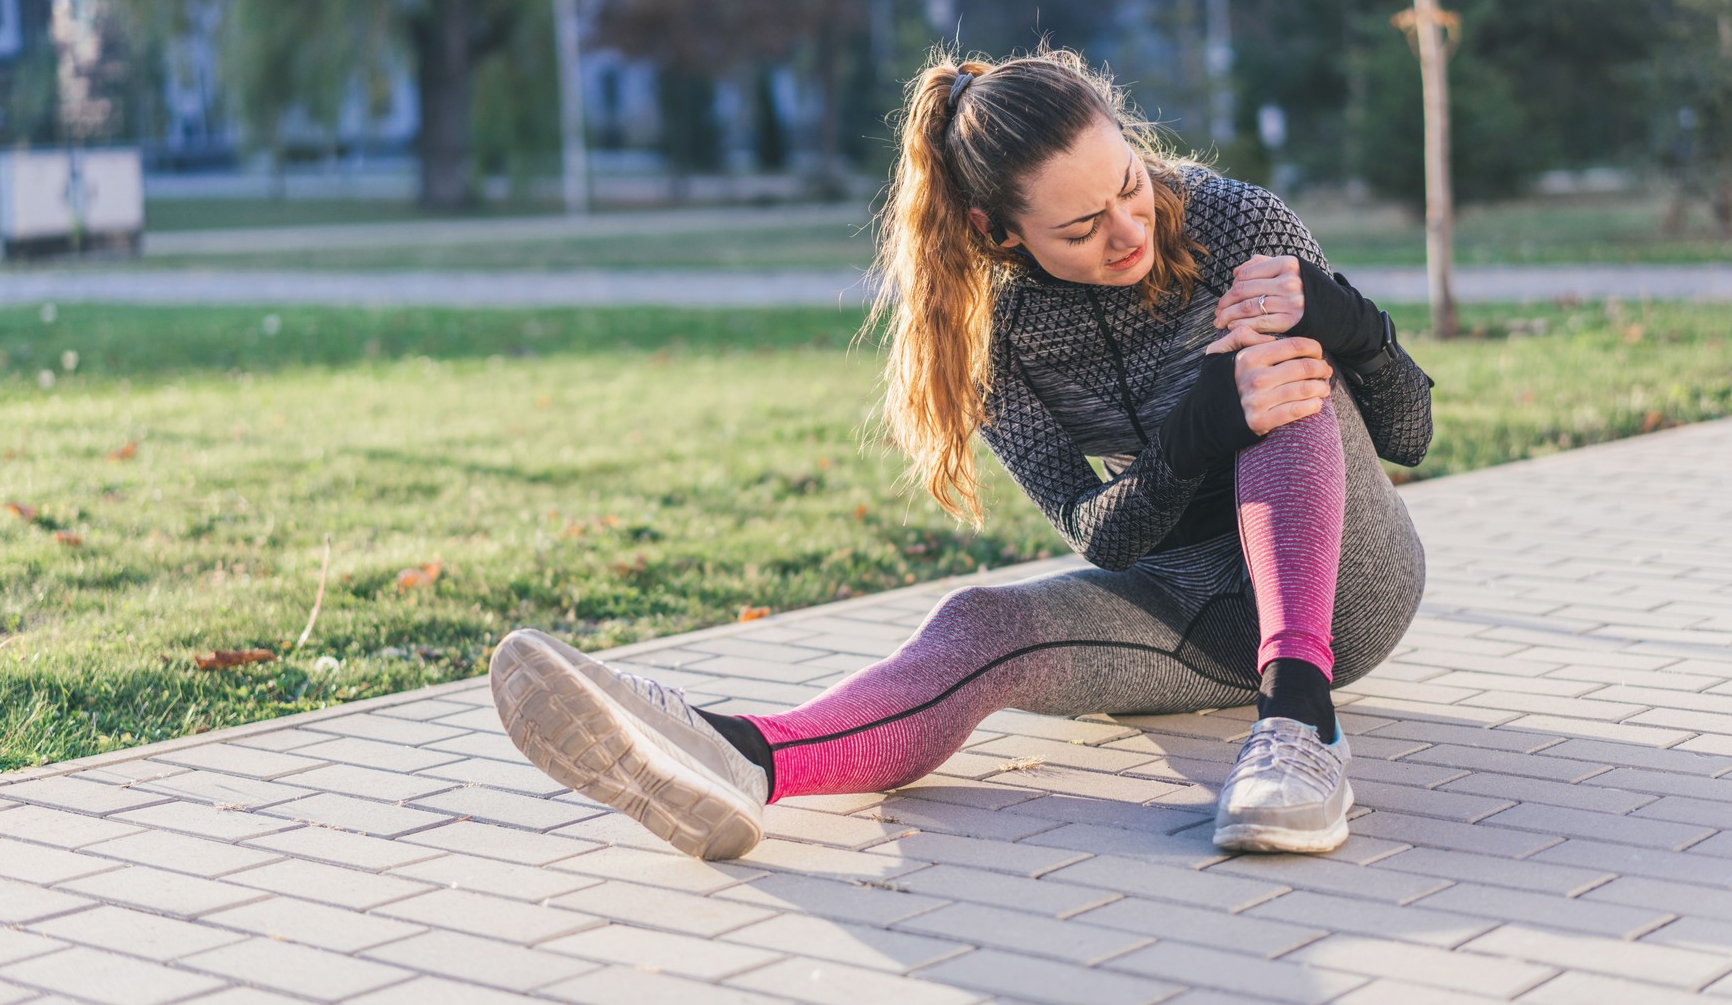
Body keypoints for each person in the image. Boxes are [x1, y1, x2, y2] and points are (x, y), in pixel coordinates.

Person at [489, 48, 1433, 861]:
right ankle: (738, 755)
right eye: (1080, 227)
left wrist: (1352, 323)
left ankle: (1303, 729)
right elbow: (1105, 537)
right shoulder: (991, 334)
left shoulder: (1236, 223)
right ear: (996, 230)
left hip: (1351, 583)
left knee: (1280, 372)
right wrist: (1199, 427)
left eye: (1132, 186)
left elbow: (1410, 436)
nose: (1130, 230)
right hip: (1196, 614)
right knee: (978, 620)